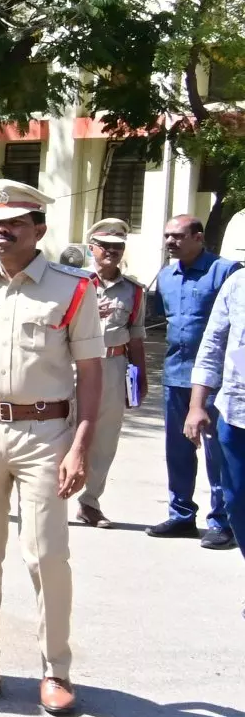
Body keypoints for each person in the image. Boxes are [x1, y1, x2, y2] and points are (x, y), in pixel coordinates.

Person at [0, 180, 104, 717]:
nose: (2, 231)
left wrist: (80, 444)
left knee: (47, 555)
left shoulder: (73, 288)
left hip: (45, 434)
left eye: (14, 222)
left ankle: (55, 670)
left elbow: (91, 371)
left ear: (40, 229)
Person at [146, 216, 238, 546]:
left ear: (198, 237)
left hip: (215, 380)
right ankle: (181, 515)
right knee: (178, 449)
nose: (170, 241)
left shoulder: (226, 272)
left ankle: (223, 521)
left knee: (218, 452)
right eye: (167, 235)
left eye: (178, 236)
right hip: (175, 376)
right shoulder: (166, 276)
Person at [75, 218, 147, 527]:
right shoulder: (73, 282)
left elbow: (136, 336)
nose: (111, 252)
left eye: (117, 247)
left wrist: (139, 378)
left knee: (104, 437)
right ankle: (47, 498)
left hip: (113, 367)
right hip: (72, 365)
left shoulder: (134, 291)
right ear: (91, 248)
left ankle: (89, 501)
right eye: (105, 246)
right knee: (57, 430)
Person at [183, 267, 245, 603]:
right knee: (236, 502)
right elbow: (213, 346)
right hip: (237, 413)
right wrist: (196, 405)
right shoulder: (237, 284)